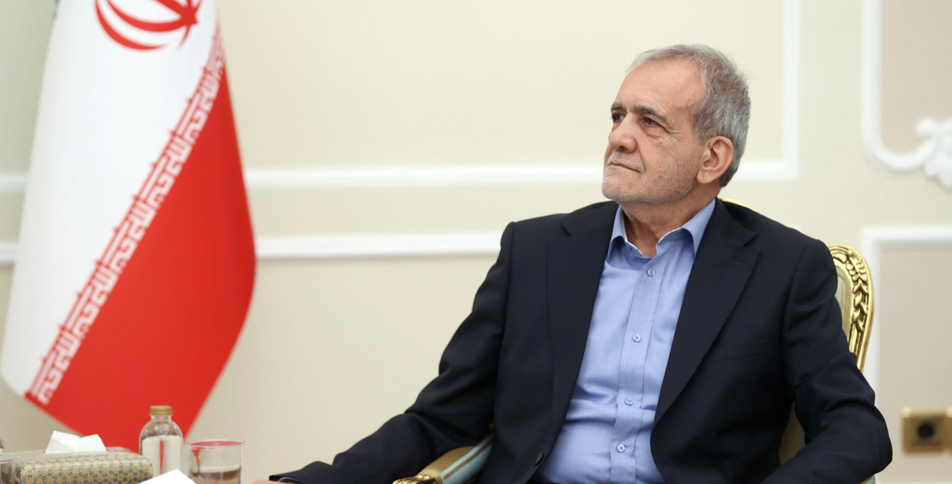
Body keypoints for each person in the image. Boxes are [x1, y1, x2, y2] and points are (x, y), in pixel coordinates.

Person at [270, 45, 892, 484]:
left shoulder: (783, 267)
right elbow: (442, 416)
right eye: (619, 116)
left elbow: (856, 429)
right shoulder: (536, 252)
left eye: (650, 123)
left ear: (712, 158)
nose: (620, 136)